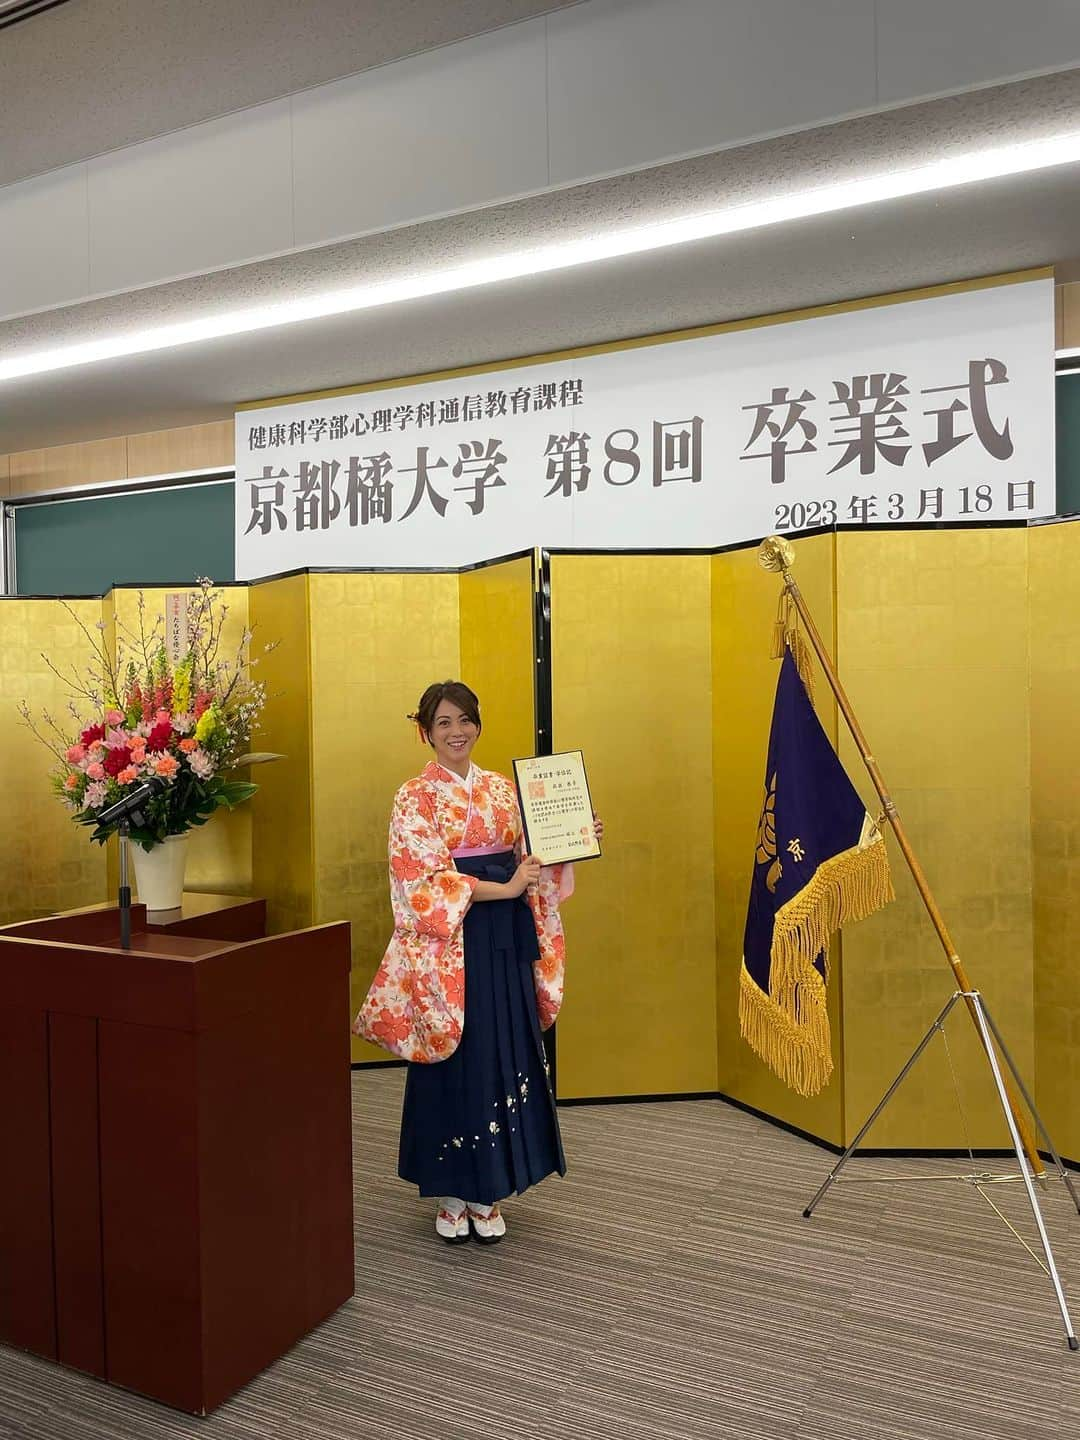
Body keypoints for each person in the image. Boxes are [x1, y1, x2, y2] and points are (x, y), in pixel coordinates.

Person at [353, 679, 602, 1245]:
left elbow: (529, 860)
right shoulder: (412, 798)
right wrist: (507, 884)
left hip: (504, 937)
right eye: (442, 722)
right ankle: (449, 1189)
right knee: (454, 1056)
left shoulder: (501, 790)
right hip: (450, 945)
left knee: (502, 1049)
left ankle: (489, 1190)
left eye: (464, 719)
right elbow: (420, 881)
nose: (456, 732)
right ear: (425, 732)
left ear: (477, 725)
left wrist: (570, 841)